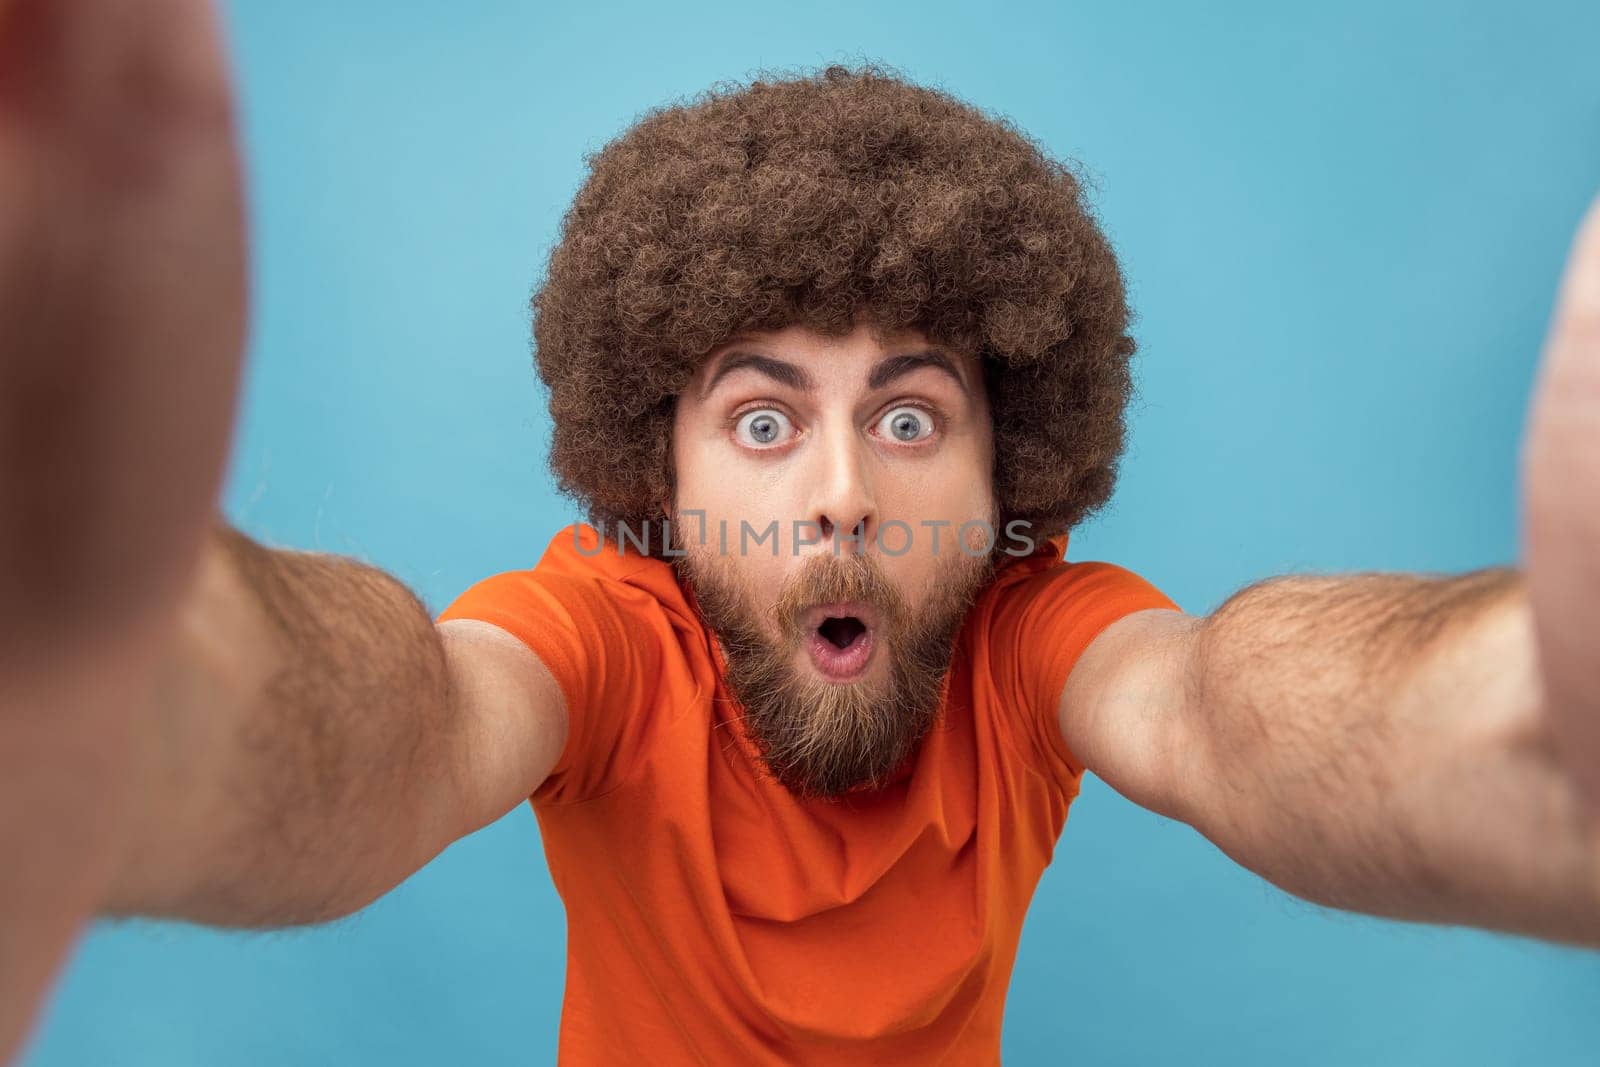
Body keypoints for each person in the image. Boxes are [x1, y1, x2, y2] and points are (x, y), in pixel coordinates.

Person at [1, 1, 1596, 1063]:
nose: (842, 488)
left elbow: (1221, 710)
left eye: (911, 420)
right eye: (763, 423)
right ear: (662, 485)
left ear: (1001, 490)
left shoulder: (1026, 638)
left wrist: (1522, 729)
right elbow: (415, 716)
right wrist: (125, 683)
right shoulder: (616, 642)